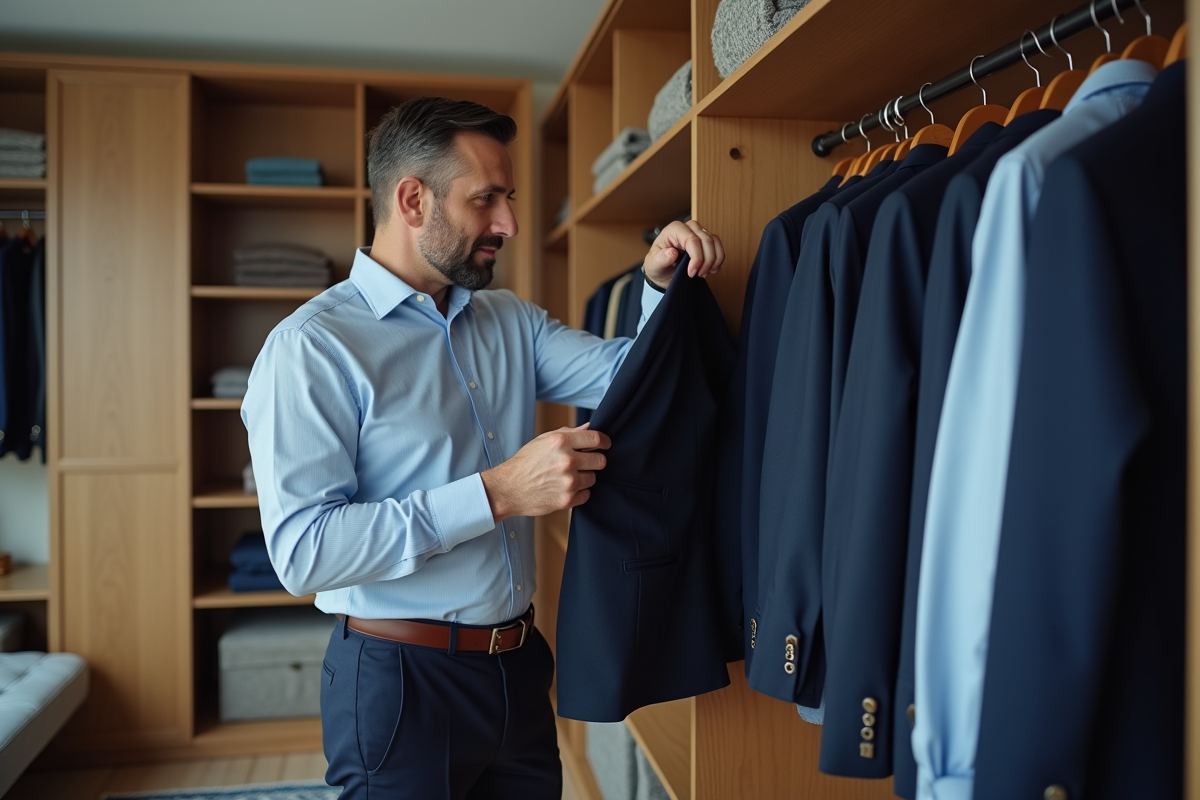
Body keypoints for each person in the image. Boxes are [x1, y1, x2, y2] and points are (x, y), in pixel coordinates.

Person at [241, 96, 725, 799]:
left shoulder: (509, 321)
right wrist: (499, 493)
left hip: (519, 666)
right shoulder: (312, 348)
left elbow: (634, 380)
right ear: (413, 200)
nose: (510, 224)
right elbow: (304, 553)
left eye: (509, 199)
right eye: (485, 200)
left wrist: (656, 286)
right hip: (400, 682)